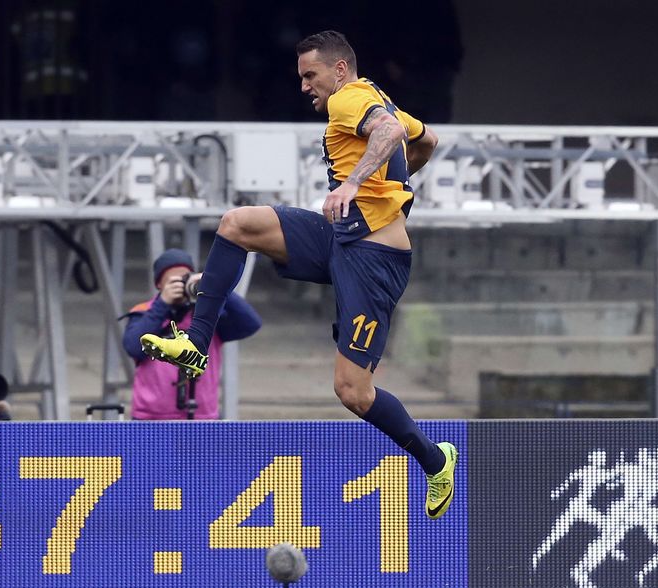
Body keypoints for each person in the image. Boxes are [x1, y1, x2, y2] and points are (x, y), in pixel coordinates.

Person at [141, 31, 457, 518]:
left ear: (338, 70)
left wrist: (354, 184)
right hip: (341, 239)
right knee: (237, 224)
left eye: (310, 76)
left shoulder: (350, 98)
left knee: (352, 391)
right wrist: (393, 184)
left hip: (373, 262)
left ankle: (436, 462)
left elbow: (390, 134)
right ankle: (196, 343)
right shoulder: (377, 96)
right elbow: (426, 138)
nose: (305, 86)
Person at [123, 248, 261, 420]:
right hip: (151, 418)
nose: (181, 285)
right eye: (174, 281)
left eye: (185, 278)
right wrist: (162, 305)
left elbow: (250, 323)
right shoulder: (145, 312)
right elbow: (133, 347)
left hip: (202, 416)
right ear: (159, 284)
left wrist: (215, 288)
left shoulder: (206, 317)